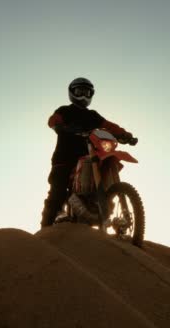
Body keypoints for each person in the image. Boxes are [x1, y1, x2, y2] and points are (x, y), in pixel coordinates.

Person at [40, 77, 134, 228]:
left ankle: (103, 206)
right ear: (72, 92)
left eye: (87, 92)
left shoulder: (93, 115)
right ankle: (46, 228)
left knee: (105, 171)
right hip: (64, 158)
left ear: (91, 94)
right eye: (79, 91)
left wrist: (125, 135)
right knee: (57, 191)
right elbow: (53, 119)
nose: (83, 95)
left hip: (90, 156)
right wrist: (59, 126)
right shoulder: (65, 110)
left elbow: (109, 126)